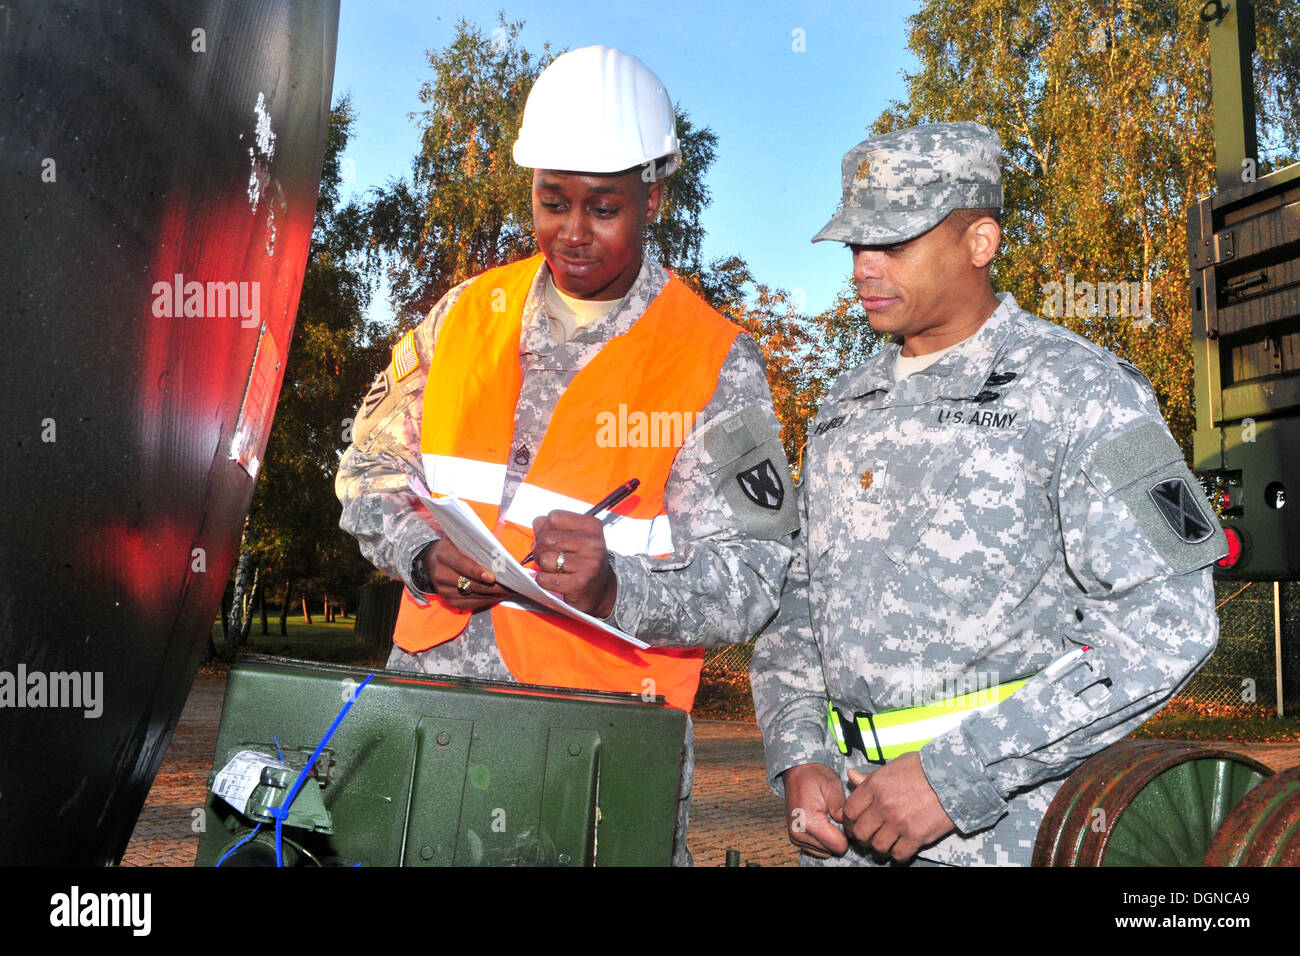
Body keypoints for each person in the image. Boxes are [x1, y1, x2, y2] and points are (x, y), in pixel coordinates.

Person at [336, 46, 797, 865]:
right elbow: (368, 468)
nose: (572, 232)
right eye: (553, 202)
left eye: (603, 208)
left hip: (599, 751)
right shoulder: (465, 315)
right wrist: (420, 552)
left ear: (654, 196)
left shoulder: (713, 360)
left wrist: (619, 588)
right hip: (432, 719)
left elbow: (756, 575)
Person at [750, 121, 1226, 866]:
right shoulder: (844, 408)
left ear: (980, 242)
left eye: (894, 244)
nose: (863, 270)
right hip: (844, 832)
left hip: (1003, 831)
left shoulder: (1089, 392)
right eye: (855, 247)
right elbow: (797, 605)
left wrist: (955, 775)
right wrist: (800, 755)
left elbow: (1168, 622)